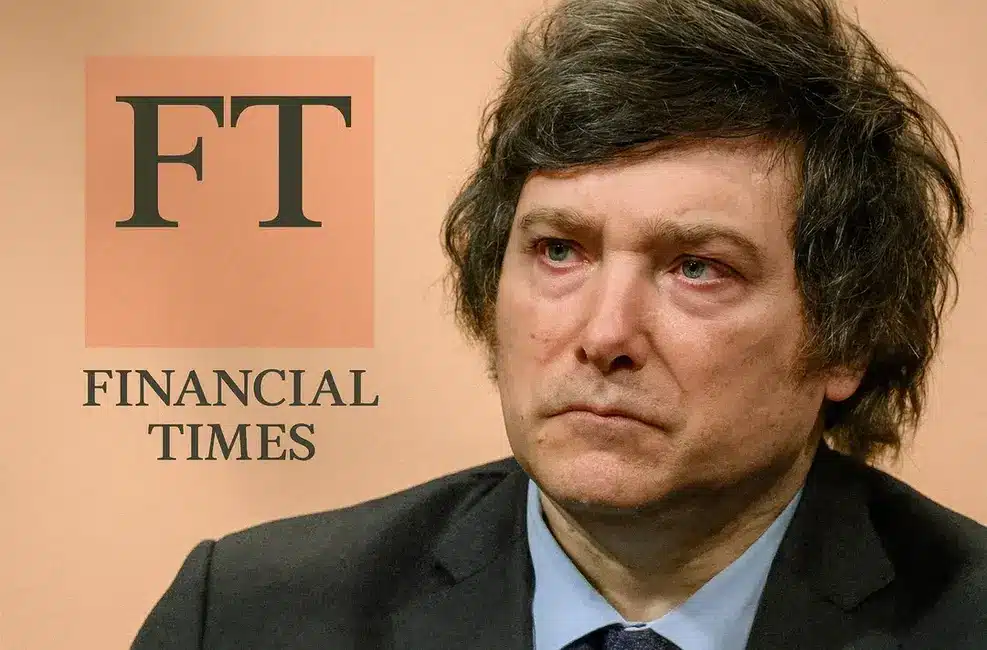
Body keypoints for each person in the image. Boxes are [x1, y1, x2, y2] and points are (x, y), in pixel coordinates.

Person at [130, 0, 987, 648]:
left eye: (697, 267)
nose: (604, 334)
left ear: (847, 336)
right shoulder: (248, 615)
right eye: (559, 251)